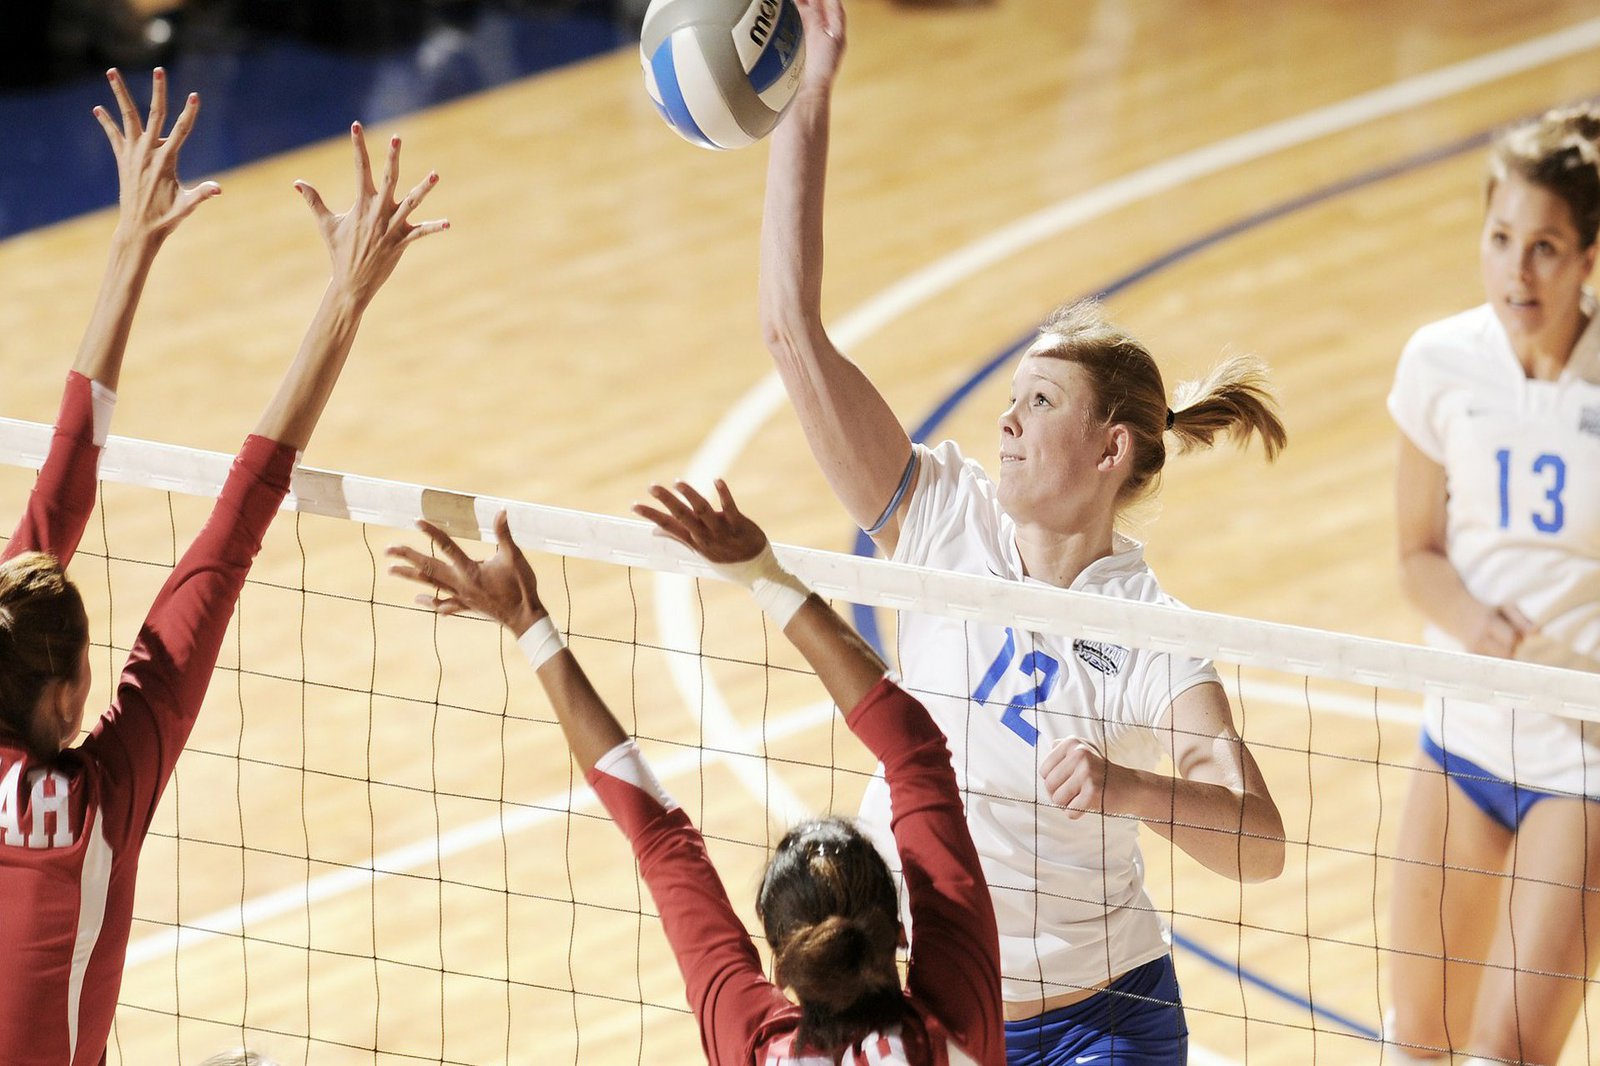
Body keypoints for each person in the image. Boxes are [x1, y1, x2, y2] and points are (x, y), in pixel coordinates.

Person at [757, 1, 1287, 1059]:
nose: (1005, 418)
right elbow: (789, 331)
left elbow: (1259, 842)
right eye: (1010, 395)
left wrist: (1128, 783)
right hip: (943, 1011)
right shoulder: (943, 512)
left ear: (1111, 453)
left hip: (1102, 1019)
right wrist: (807, 97)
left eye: (1040, 403)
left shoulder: (1145, 630)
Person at [0, 69, 446, 1065]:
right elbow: (228, 533)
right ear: (74, 696)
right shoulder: (98, 805)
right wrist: (346, 296)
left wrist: (127, 244)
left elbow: (54, 498)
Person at [386, 480, 1004, 1065]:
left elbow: (662, 846)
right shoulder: (953, 1028)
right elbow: (915, 751)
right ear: (898, 932)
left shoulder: (757, 1046)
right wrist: (764, 574)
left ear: (783, 965)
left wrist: (527, 621)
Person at [1385, 105, 1600, 1065]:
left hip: (1584, 761)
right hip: (1462, 740)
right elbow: (1416, 553)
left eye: (1547, 247)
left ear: (1590, 256)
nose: (1518, 270)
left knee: (1506, 1055)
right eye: (1502, 238)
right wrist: (1475, 619)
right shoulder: (1441, 363)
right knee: (1419, 1041)